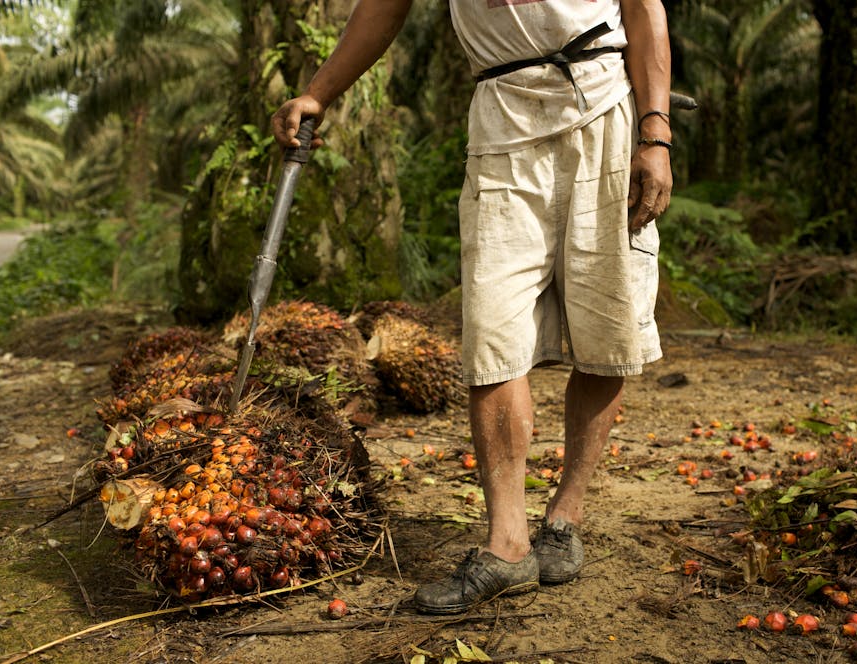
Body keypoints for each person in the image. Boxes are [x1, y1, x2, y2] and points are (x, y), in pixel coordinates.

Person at [272, 0, 673, 615]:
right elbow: (383, 8)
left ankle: (565, 516)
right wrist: (317, 95)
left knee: (609, 328)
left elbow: (645, 12)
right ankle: (507, 545)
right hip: (503, 121)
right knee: (493, 332)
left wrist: (656, 134)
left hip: (605, 112)